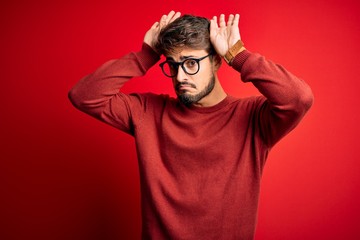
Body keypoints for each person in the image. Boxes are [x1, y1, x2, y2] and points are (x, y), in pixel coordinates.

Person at [69, 10, 313, 240]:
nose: (181, 76)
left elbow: (298, 98)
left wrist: (238, 56)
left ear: (216, 61)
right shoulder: (147, 112)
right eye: (173, 65)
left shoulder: (252, 118)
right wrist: (145, 55)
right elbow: (84, 95)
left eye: (191, 63)